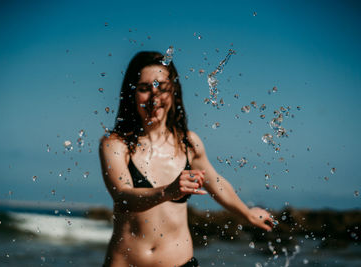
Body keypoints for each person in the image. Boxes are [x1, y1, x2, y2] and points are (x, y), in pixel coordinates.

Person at [99, 51, 274, 267]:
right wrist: (168, 191)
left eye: (161, 88)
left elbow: (215, 183)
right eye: (144, 89)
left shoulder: (189, 143)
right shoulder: (115, 144)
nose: (155, 98)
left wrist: (247, 213)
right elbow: (123, 196)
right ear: (131, 93)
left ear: (173, 91)